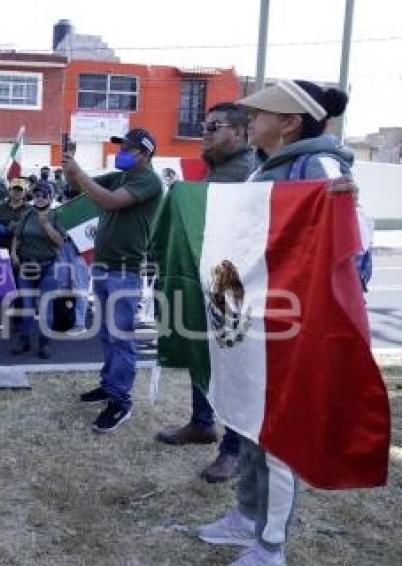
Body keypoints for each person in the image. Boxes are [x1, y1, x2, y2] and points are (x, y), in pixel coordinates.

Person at [197, 79, 357, 566]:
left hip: (290, 325)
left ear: (290, 123)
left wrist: (342, 207)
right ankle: (248, 515)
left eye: (262, 113)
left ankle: (271, 547)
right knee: (250, 424)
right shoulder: (267, 168)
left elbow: (351, 240)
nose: (252, 121)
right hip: (253, 319)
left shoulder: (319, 165)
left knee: (280, 436)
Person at [155, 102, 257, 483]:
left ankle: (233, 448)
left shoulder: (251, 172)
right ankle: (202, 423)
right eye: (204, 126)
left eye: (215, 126)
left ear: (241, 131)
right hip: (204, 276)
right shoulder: (214, 170)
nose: (206, 132)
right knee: (202, 351)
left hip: (232, 283)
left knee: (230, 364)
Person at [62, 128, 163, 433]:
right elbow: (79, 187)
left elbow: (107, 201)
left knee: (121, 337)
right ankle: (109, 387)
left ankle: (121, 401)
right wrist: (70, 166)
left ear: (144, 154)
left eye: (128, 148)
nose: (121, 152)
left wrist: (78, 171)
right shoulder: (121, 175)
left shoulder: (148, 180)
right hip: (105, 268)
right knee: (107, 335)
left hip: (125, 271)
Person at [10, 181, 66, 359]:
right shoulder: (27, 214)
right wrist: (13, 253)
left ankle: (44, 341)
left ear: (50, 197)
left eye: (44, 195)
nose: (40, 198)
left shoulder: (57, 215)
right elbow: (17, 237)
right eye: (37, 195)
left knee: (45, 306)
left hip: (48, 266)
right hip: (26, 265)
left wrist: (46, 225)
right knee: (27, 306)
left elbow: (60, 242)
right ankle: (24, 340)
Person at [0, 178, 30, 250]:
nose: (17, 192)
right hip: (1, 247)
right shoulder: (0, 207)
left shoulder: (29, 209)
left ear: (25, 192)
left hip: (22, 249)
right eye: (14, 189)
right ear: (9, 191)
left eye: (20, 190)